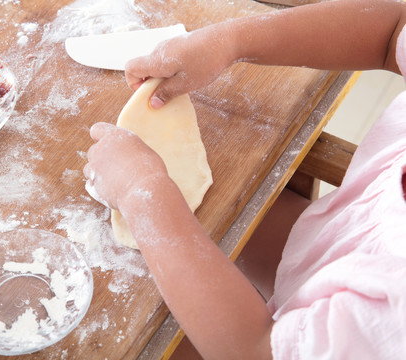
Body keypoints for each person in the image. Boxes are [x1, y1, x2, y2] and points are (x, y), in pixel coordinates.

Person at [83, 0, 406, 359]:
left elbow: (253, 350)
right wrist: (229, 42)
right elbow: (394, 32)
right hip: (338, 237)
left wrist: (140, 191)